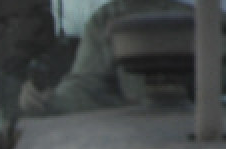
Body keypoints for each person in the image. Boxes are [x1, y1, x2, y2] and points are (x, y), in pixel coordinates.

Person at [18, 0, 196, 115]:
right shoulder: (106, 19)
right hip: (123, 138)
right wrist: (49, 102)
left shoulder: (210, 21)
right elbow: (85, 87)